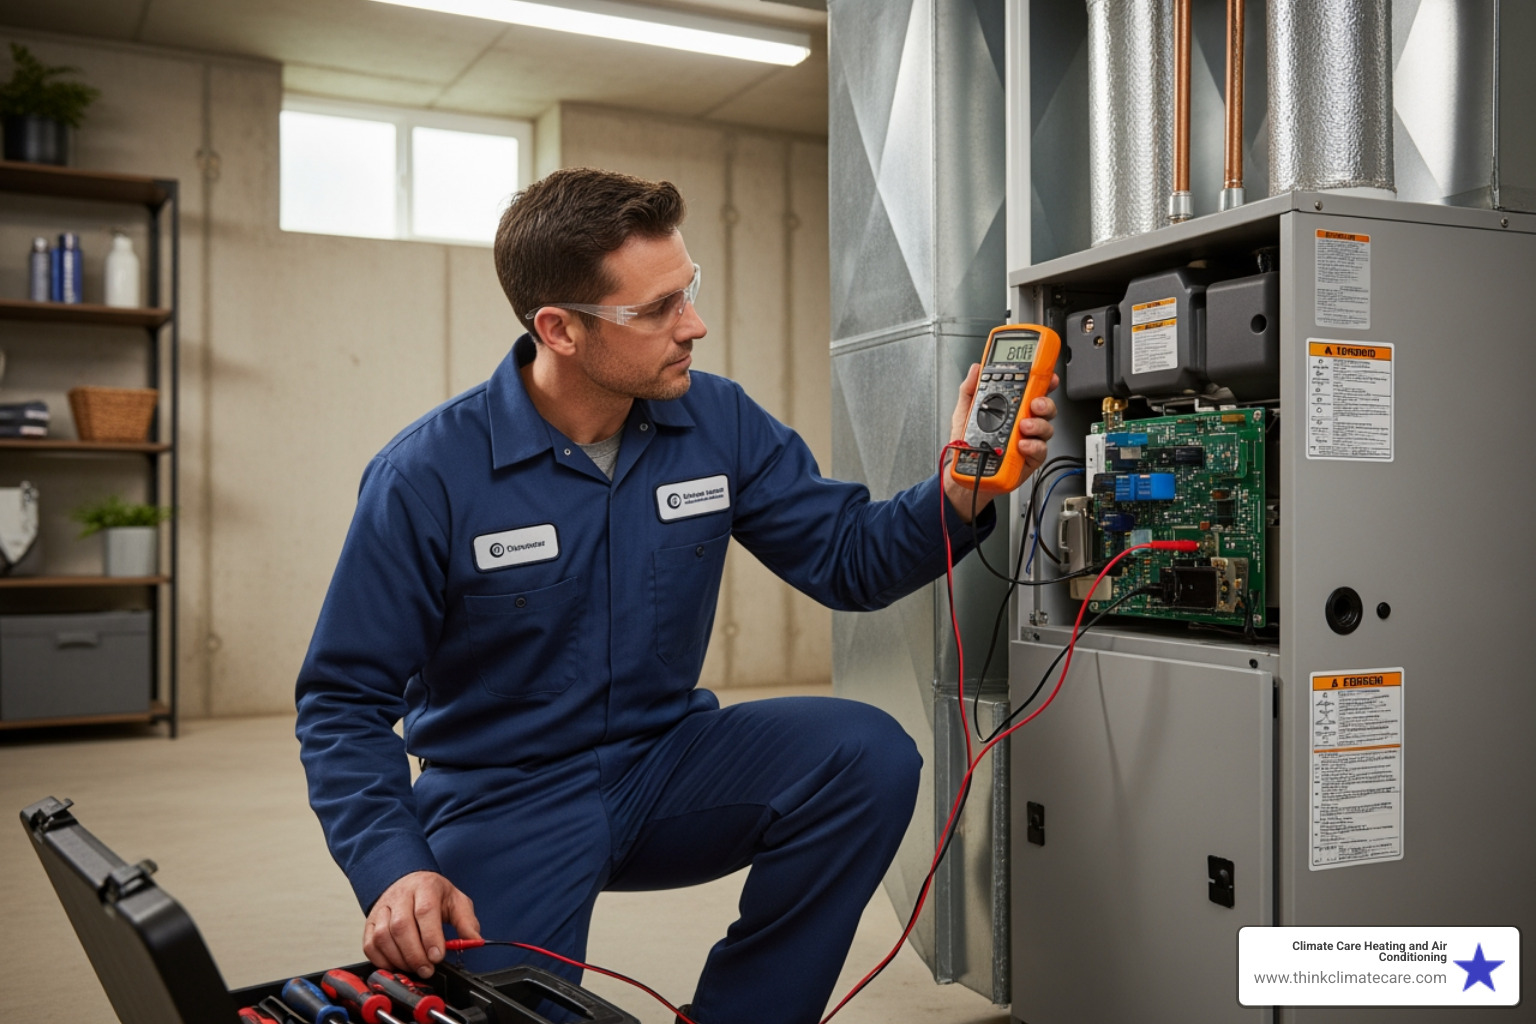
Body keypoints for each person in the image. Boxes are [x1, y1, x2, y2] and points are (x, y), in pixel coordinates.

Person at [295, 167, 1057, 1024]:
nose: (692, 324)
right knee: (496, 1011)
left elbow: (849, 560)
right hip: (503, 796)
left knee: (865, 754)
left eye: (686, 290)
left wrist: (962, 488)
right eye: (656, 309)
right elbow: (341, 702)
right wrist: (394, 866)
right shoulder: (427, 475)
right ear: (560, 328)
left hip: (670, 765)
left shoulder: (716, 422)